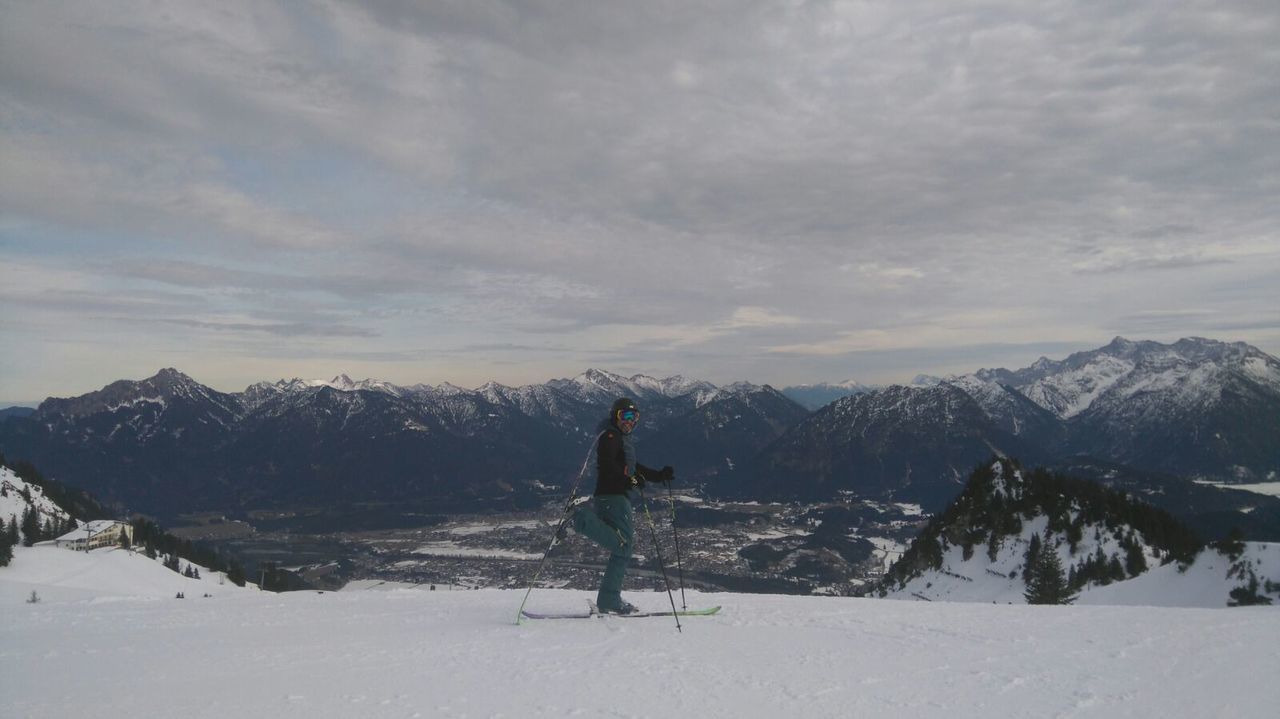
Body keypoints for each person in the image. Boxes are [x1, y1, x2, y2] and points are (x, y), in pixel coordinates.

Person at [569, 397, 674, 614]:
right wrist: (628, 480)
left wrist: (658, 476)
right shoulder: (611, 436)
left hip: (613, 495)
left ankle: (609, 600)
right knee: (623, 547)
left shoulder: (619, 437)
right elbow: (608, 463)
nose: (629, 421)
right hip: (613, 496)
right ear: (615, 415)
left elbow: (632, 467)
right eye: (625, 416)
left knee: (622, 549)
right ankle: (581, 519)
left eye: (634, 417)